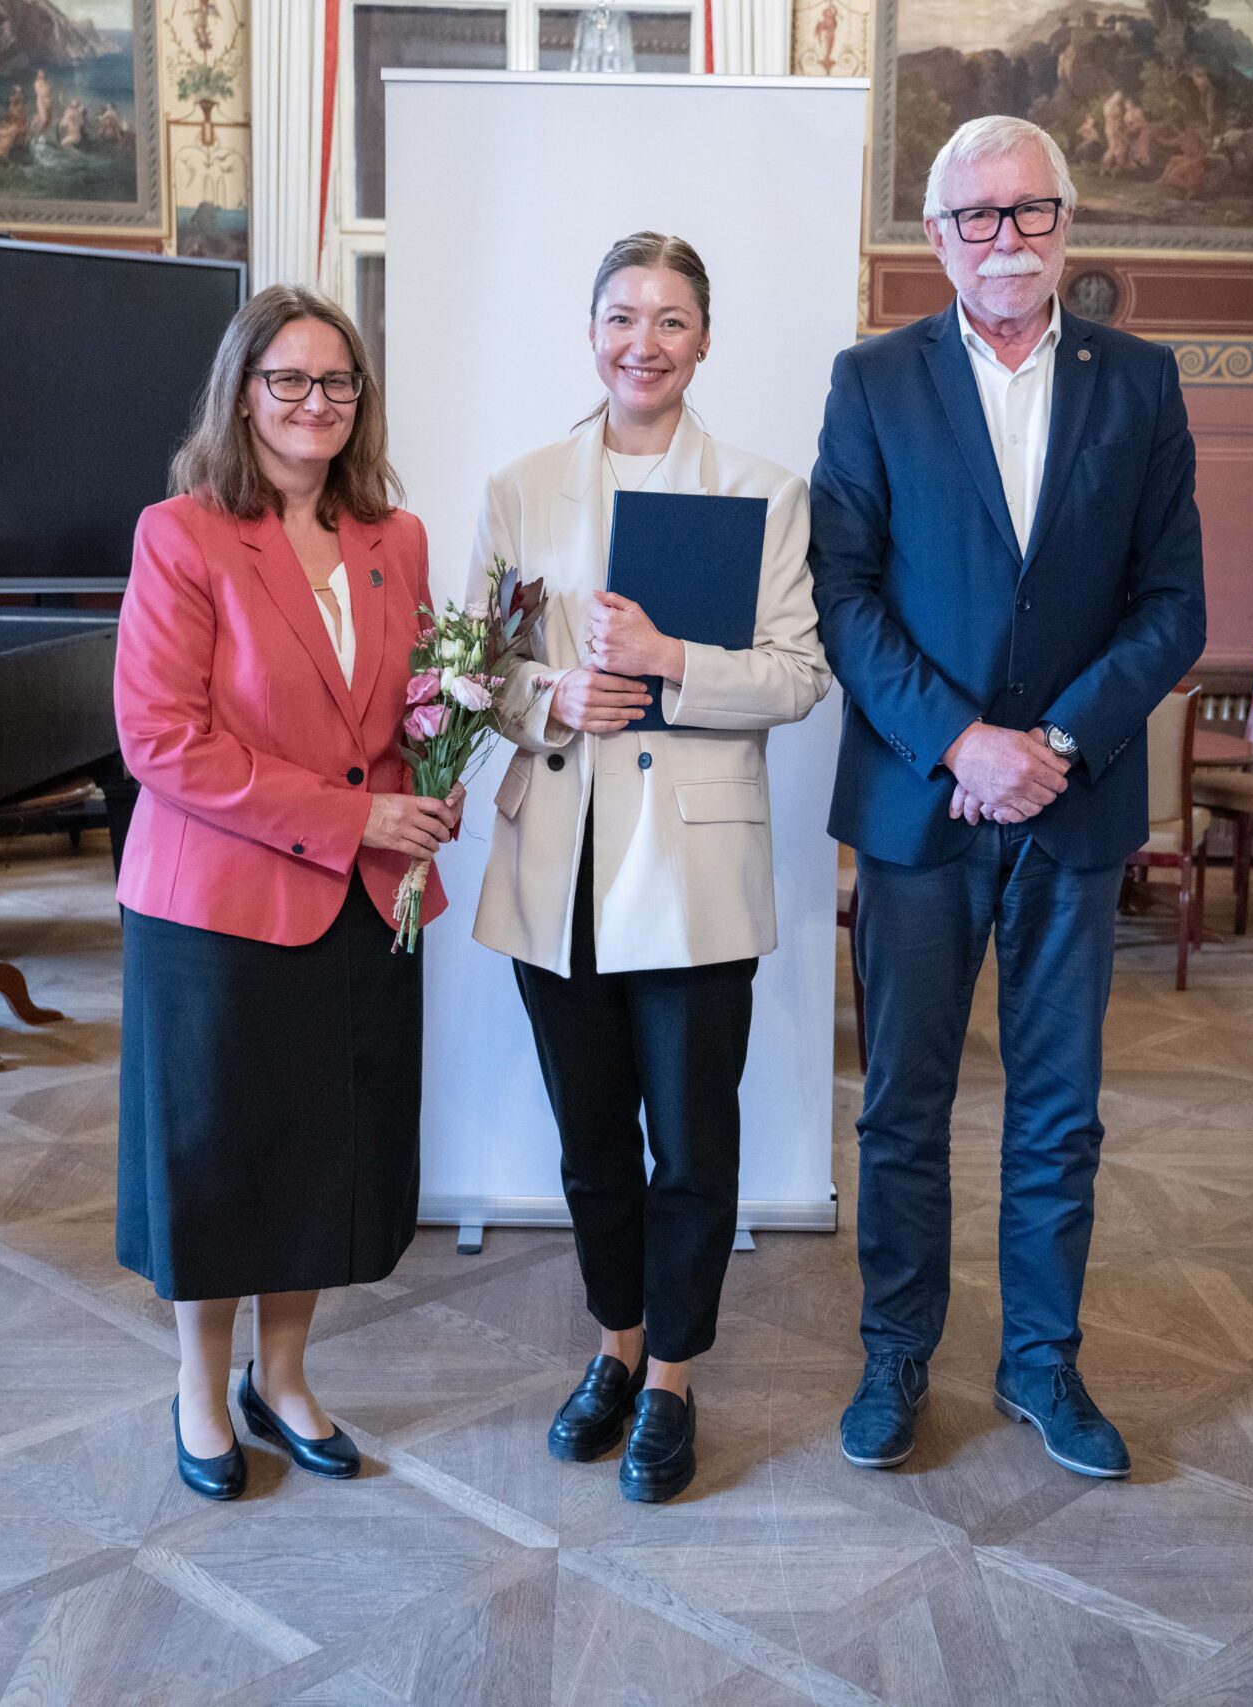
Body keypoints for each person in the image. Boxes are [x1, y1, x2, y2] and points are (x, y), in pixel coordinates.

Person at [810, 117, 1206, 1479]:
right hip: (920, 805)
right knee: (900, 1107)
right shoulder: (873, 381)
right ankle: (895, 1353)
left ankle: (1041, 1360)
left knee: (1058, 1110)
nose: (1005, 240)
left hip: (1072, 809)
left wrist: (1058, 742)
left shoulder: (1139, 383)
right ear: (937, 237)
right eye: (976, 217)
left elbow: (1172, 606)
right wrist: (962, 742)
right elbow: (844, 597)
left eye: (1029, 211)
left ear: (1066, 224)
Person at [472, 232, 829, 1503]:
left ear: (704, 340)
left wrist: (674, 660)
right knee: (590, 1144)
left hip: (689, 866)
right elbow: (474, 671)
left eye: (671, 320)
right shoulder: (520, 487)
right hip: (557, 859)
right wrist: (552, 695)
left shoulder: (764, 494)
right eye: (622, 316)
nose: (644, 342)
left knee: (689, 1145)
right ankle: (613, 1348)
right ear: (591, 333)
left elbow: (797, 677)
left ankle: (673, 1376)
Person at [113, 286, 462, 1501]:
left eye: (338, 382)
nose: (317, 402)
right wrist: (355, 816)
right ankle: (200, 1392)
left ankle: (286, 1378)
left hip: (363, 905)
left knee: (323, 1156)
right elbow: (163, 741)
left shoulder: (395, 538)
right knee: (219, 1160)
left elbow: (416, 709)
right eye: (290, 380)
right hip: (215, 909)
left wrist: (435, 785)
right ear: (244, 394)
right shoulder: (183, 534)